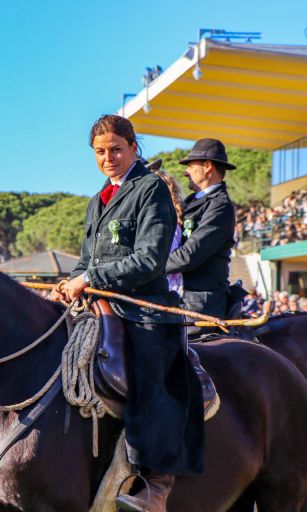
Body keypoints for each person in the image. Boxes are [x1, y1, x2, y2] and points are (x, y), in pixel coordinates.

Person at [51, 115, 203, 512]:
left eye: (116, 149)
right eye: (100, 152)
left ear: (134, 148)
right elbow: (85, 261)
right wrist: (68, 284)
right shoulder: (96, 201)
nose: (108, 158)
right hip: (98, 310)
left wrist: (89, 277)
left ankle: (156, 485)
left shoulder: (150, 188)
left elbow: (151, 260)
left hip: (146, 315)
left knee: (147, 377)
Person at [166, 138, 236, 336]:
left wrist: (148, 266)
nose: (185, 172)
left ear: (207, 167)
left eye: (190, 165)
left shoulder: (220, 206)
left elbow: (190, 255)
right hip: (179, 296)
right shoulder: (190, 202)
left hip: (199, 303)